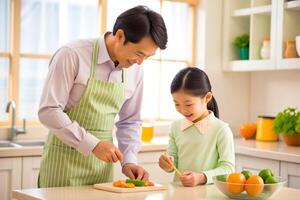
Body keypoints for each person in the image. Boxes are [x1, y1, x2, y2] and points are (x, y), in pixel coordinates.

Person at [38, 5, 167, 187]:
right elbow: (49, 111)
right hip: (62, 165)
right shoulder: (72, 54)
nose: (140, 62)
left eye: (147, 57)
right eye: (139, 53)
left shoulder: (136, 69)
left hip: (102, 171)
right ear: (120, 36)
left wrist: (129, 160)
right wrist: (93, 145)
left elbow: (129, 121)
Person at [158, 67, 235, 187]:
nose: (182, 110)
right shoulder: (175, 127)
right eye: (177, 104)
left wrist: (201, 177)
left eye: (188, 104)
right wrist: (166, 164)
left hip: (208, 195)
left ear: (207, 98)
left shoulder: (221, 130)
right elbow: (172, 164)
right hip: (179, 195)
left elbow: (228, 169)